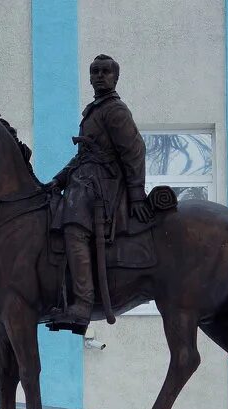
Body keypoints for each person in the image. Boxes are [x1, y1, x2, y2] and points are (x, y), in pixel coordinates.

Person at [46, 54, 151, 331]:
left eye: (106, 71)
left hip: (104, 184)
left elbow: (135, 150)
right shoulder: (94, 111)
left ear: (116, 77)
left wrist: (137, 192)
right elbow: (83, 156)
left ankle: (83, 301)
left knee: (73, 226)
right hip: (87, 177)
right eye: (95, 72)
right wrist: (59, 178)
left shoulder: (114, 110)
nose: (100, 76)